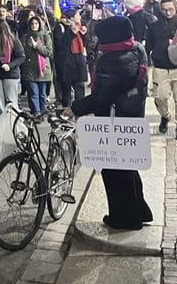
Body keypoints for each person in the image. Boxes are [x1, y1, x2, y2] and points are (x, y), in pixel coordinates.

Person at [65, 16, 153, 230]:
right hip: (130, 120)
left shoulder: (114, 60)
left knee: (115, 171)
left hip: (115, 122)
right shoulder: (135, 49)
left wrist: (74, 108)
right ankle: (139, 211)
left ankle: (124, 218)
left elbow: (102, 97)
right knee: (128, 167)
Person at [0, 18, 25, 129]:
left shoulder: (13, 41)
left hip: (10, 75)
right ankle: (1, 127)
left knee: (11, 101)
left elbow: (21, 57)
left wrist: (10, 65)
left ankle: (16, 126)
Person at [146, 0, 177, 133]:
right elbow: (149, 44)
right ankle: (165, 116)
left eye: (170, 9)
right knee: (160, 97)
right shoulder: (154, 26)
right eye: (165, 9)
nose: (168, 12)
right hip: (160, 67)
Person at [21, 16, 53, 117]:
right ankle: (36, 112)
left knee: (42, 94)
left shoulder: (45, 37)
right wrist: (30, 46)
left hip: (43, 70)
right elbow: (23, 53)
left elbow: (48, 52)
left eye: (36, 23)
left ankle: (42, 110)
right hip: (30, 70)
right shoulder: (25, 37)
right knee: (33, 92)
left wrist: (36, 46)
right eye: (32, 24)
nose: (34, 26)